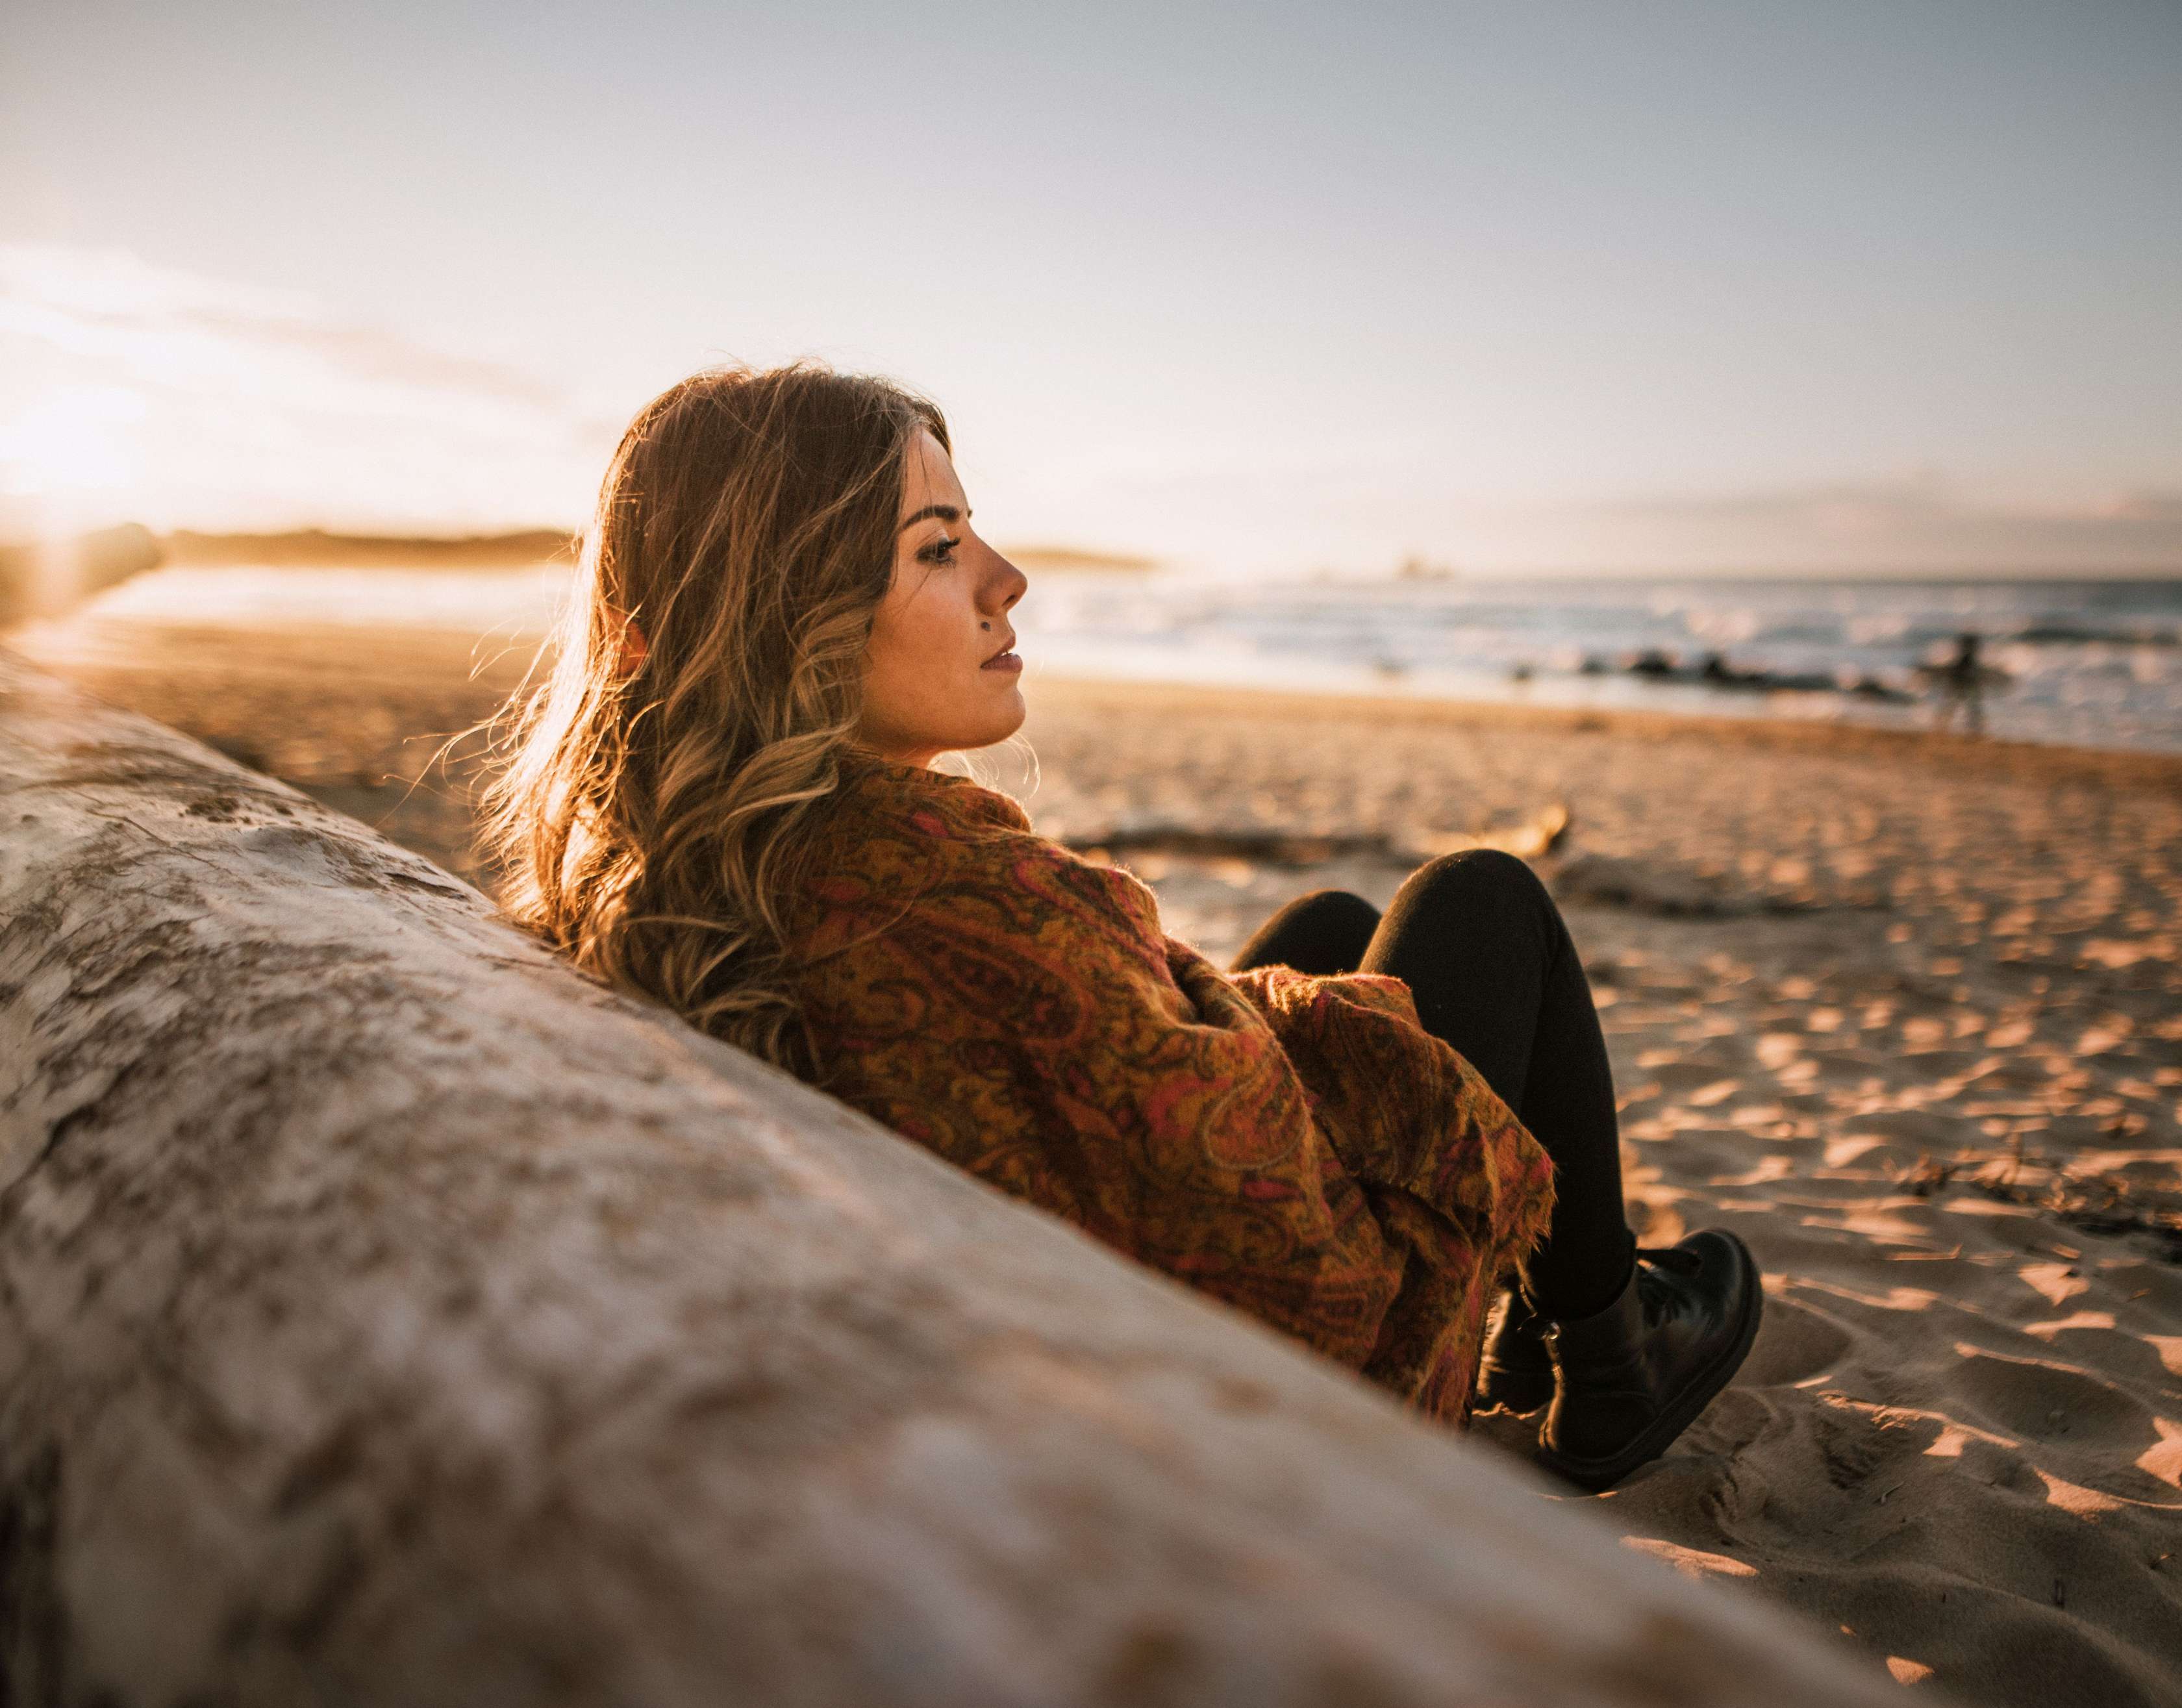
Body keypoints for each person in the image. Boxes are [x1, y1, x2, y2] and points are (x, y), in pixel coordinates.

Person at [481, 363, 1762, 1492]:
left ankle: (1548, 1323)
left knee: (1329, 925)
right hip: (1269, 1414)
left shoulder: (709, 866)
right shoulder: (950, 900)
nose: (1007, 579)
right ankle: (1610, 1353)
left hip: (1044, 1318)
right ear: (782, 618)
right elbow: (1290, 1261)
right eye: (938, 549)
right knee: (1483, 903)